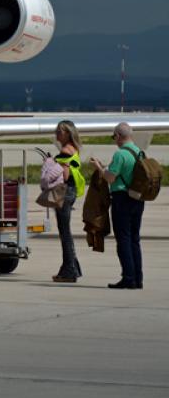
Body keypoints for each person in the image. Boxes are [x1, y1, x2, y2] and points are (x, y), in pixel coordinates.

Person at [90, 122, 144, 289]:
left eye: (115, 136)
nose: (115, 140)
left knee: (124, 239)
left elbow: (110, 177)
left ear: (119, 136)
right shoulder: (139, 152)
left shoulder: (120, 154)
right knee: (135, 239)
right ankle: (137, 278)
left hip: (122, 199)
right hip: (138, 198)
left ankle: (128, 278)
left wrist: (99, 167)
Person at [52, 120, 85, 283]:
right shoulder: (74, 149)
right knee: (66, 232)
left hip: (64, 193)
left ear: (67, 133)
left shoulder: (65, 151)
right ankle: (71, 267)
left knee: (65, 233)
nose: (56, 134)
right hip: (71, 193)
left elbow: (63, 176)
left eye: (59, 131)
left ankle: (69, 270)